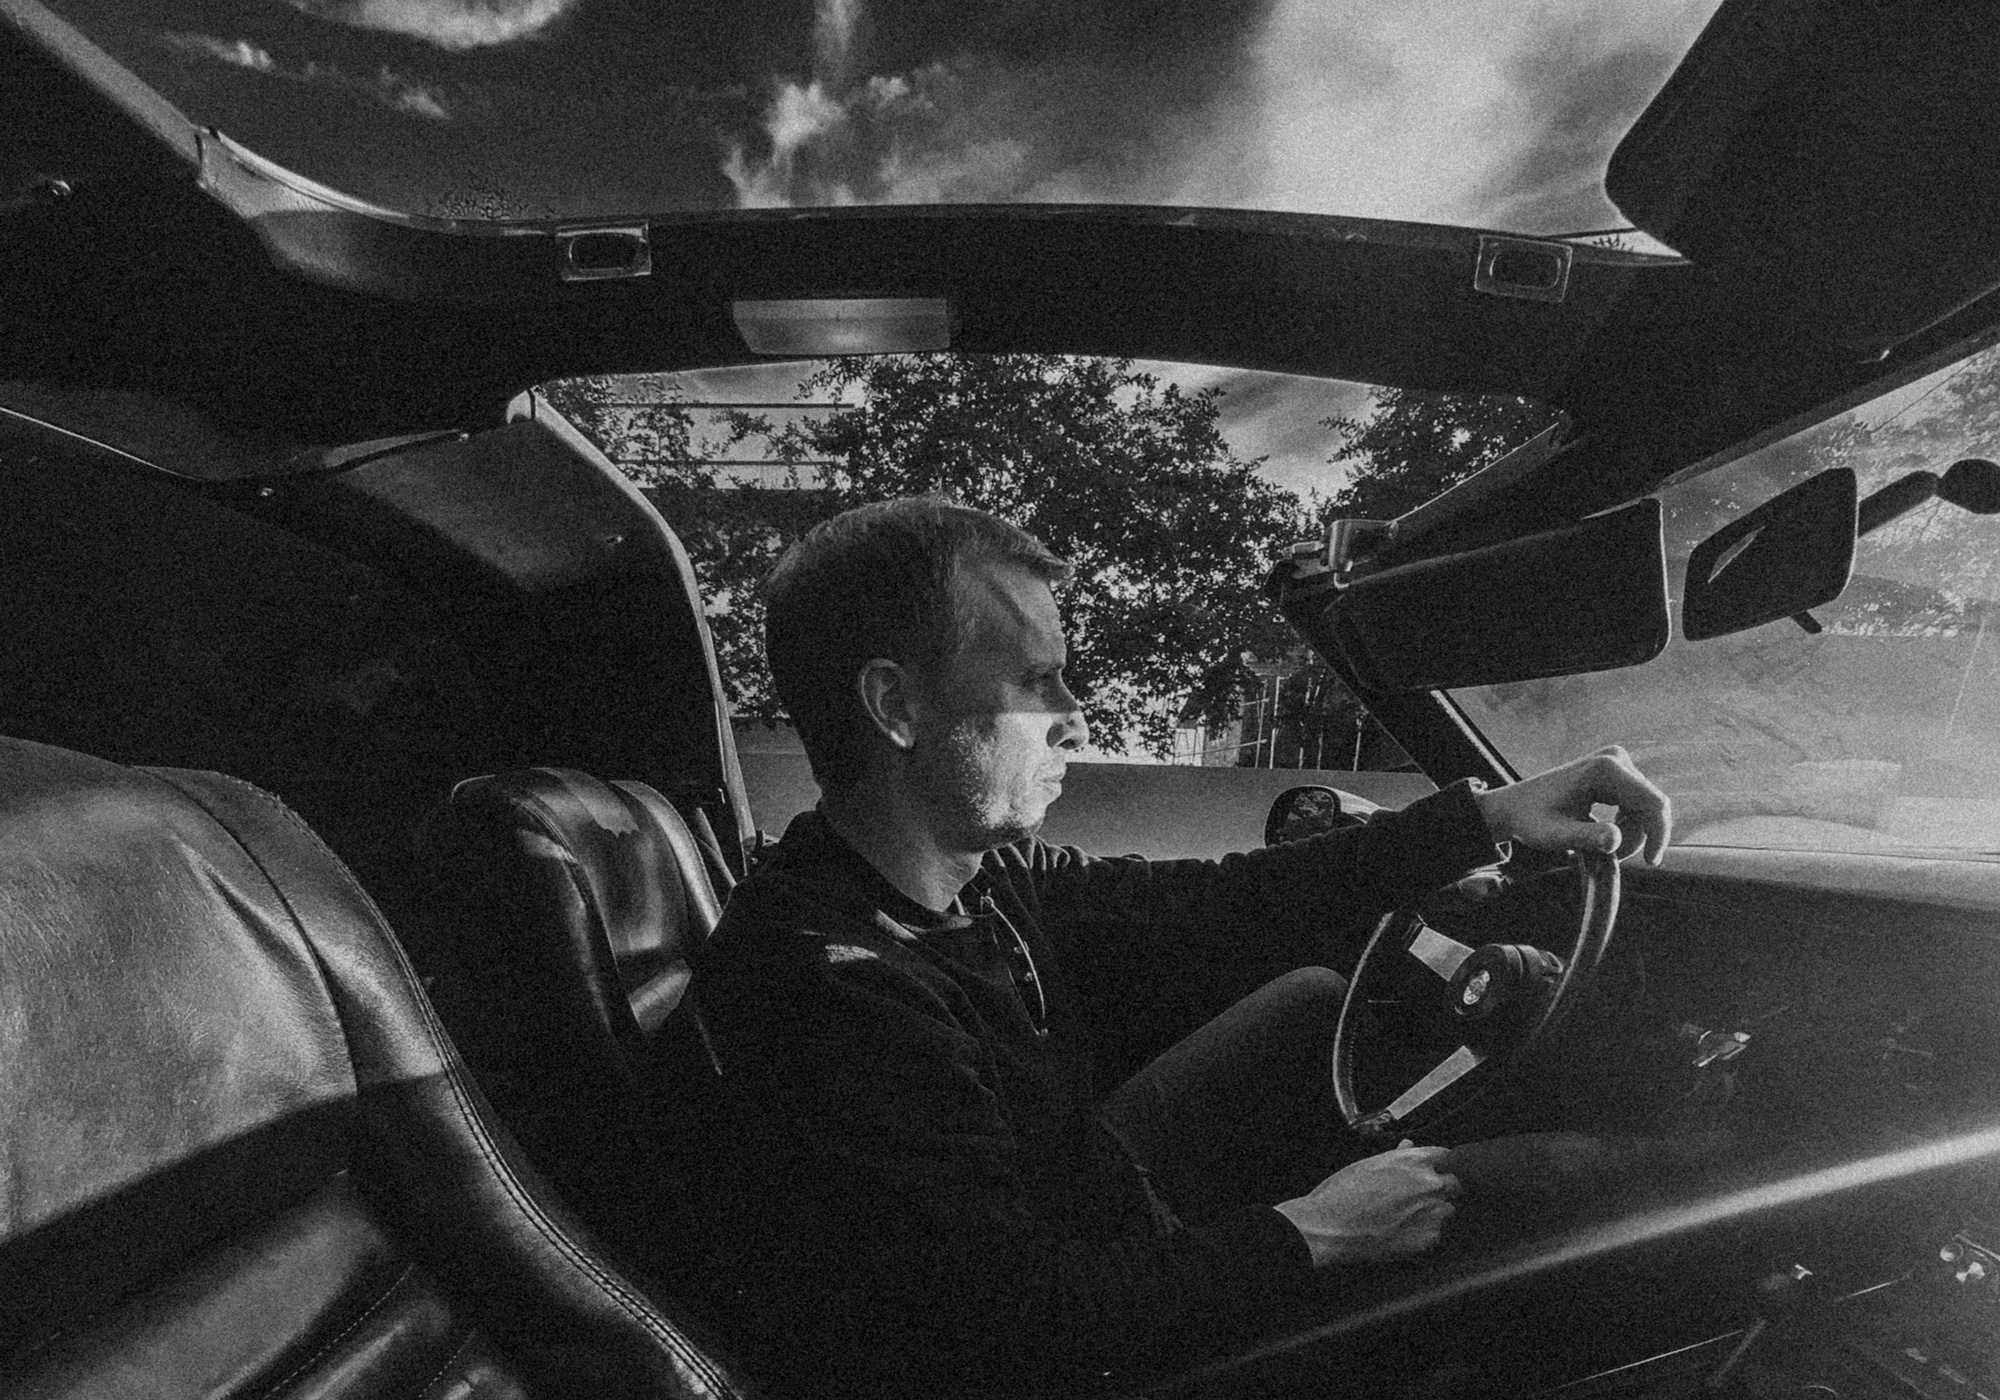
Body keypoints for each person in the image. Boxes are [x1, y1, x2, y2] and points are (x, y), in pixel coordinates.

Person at [690, 496, 1671, 1396]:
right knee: (1531, 1196)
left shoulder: (977, 878)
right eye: (1036, 680)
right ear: (896, 707)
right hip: (1066, 1353)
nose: (1074, 711)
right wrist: (1313, 1231)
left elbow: (1211, 902)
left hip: (1083, 1212)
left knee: (1310, 1001)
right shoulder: (823, 982)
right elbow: (1015, 1324)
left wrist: (1490, 812)